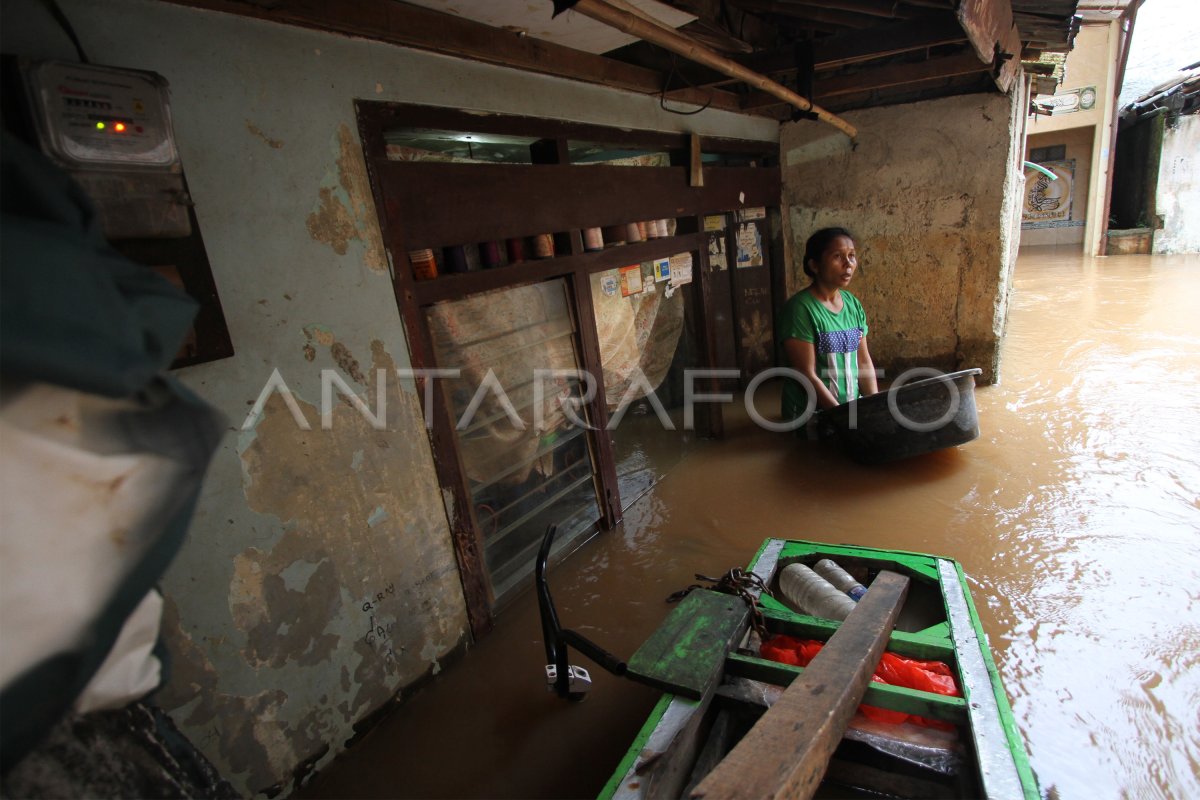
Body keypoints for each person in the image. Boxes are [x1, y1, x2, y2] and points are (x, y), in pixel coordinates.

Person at [778, 227, 878, 423]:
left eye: (851, 256)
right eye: (837, 256)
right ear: (815, 265)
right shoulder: (800, 309)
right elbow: (807, 374)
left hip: (849, 411)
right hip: (810, 417)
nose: (848, 264)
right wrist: (841, 417)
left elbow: (864, 362)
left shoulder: (852, 304)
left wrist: (875, 407)